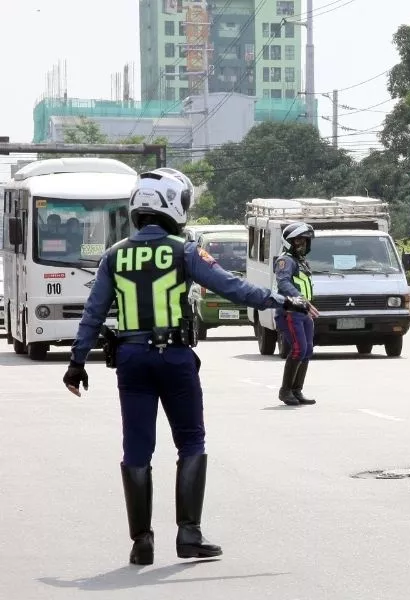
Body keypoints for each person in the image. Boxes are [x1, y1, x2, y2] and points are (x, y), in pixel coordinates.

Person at [62, 168, 313, 566]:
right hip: (175, 357)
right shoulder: (185, 250)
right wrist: (281, 300)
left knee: (137, 449)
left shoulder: (114, 255)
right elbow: (232, 286)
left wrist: (77, 362)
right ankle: (188, 535)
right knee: (191, 441)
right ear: (172, 205)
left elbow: (93, 314)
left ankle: (141, 542)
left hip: (131, 359)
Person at [274, 222, 318, 406]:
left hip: (304, 312)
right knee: (299, 349)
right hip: (290, 311)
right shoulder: (286, 261)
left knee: (307, 350)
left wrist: (307, 305)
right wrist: (301, 300)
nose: (303, 244)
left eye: (305, 241)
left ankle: (296, 390)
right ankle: (285, 391)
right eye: (299, 240)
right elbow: (283, 283)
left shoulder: (301, 262)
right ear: (289, 242)